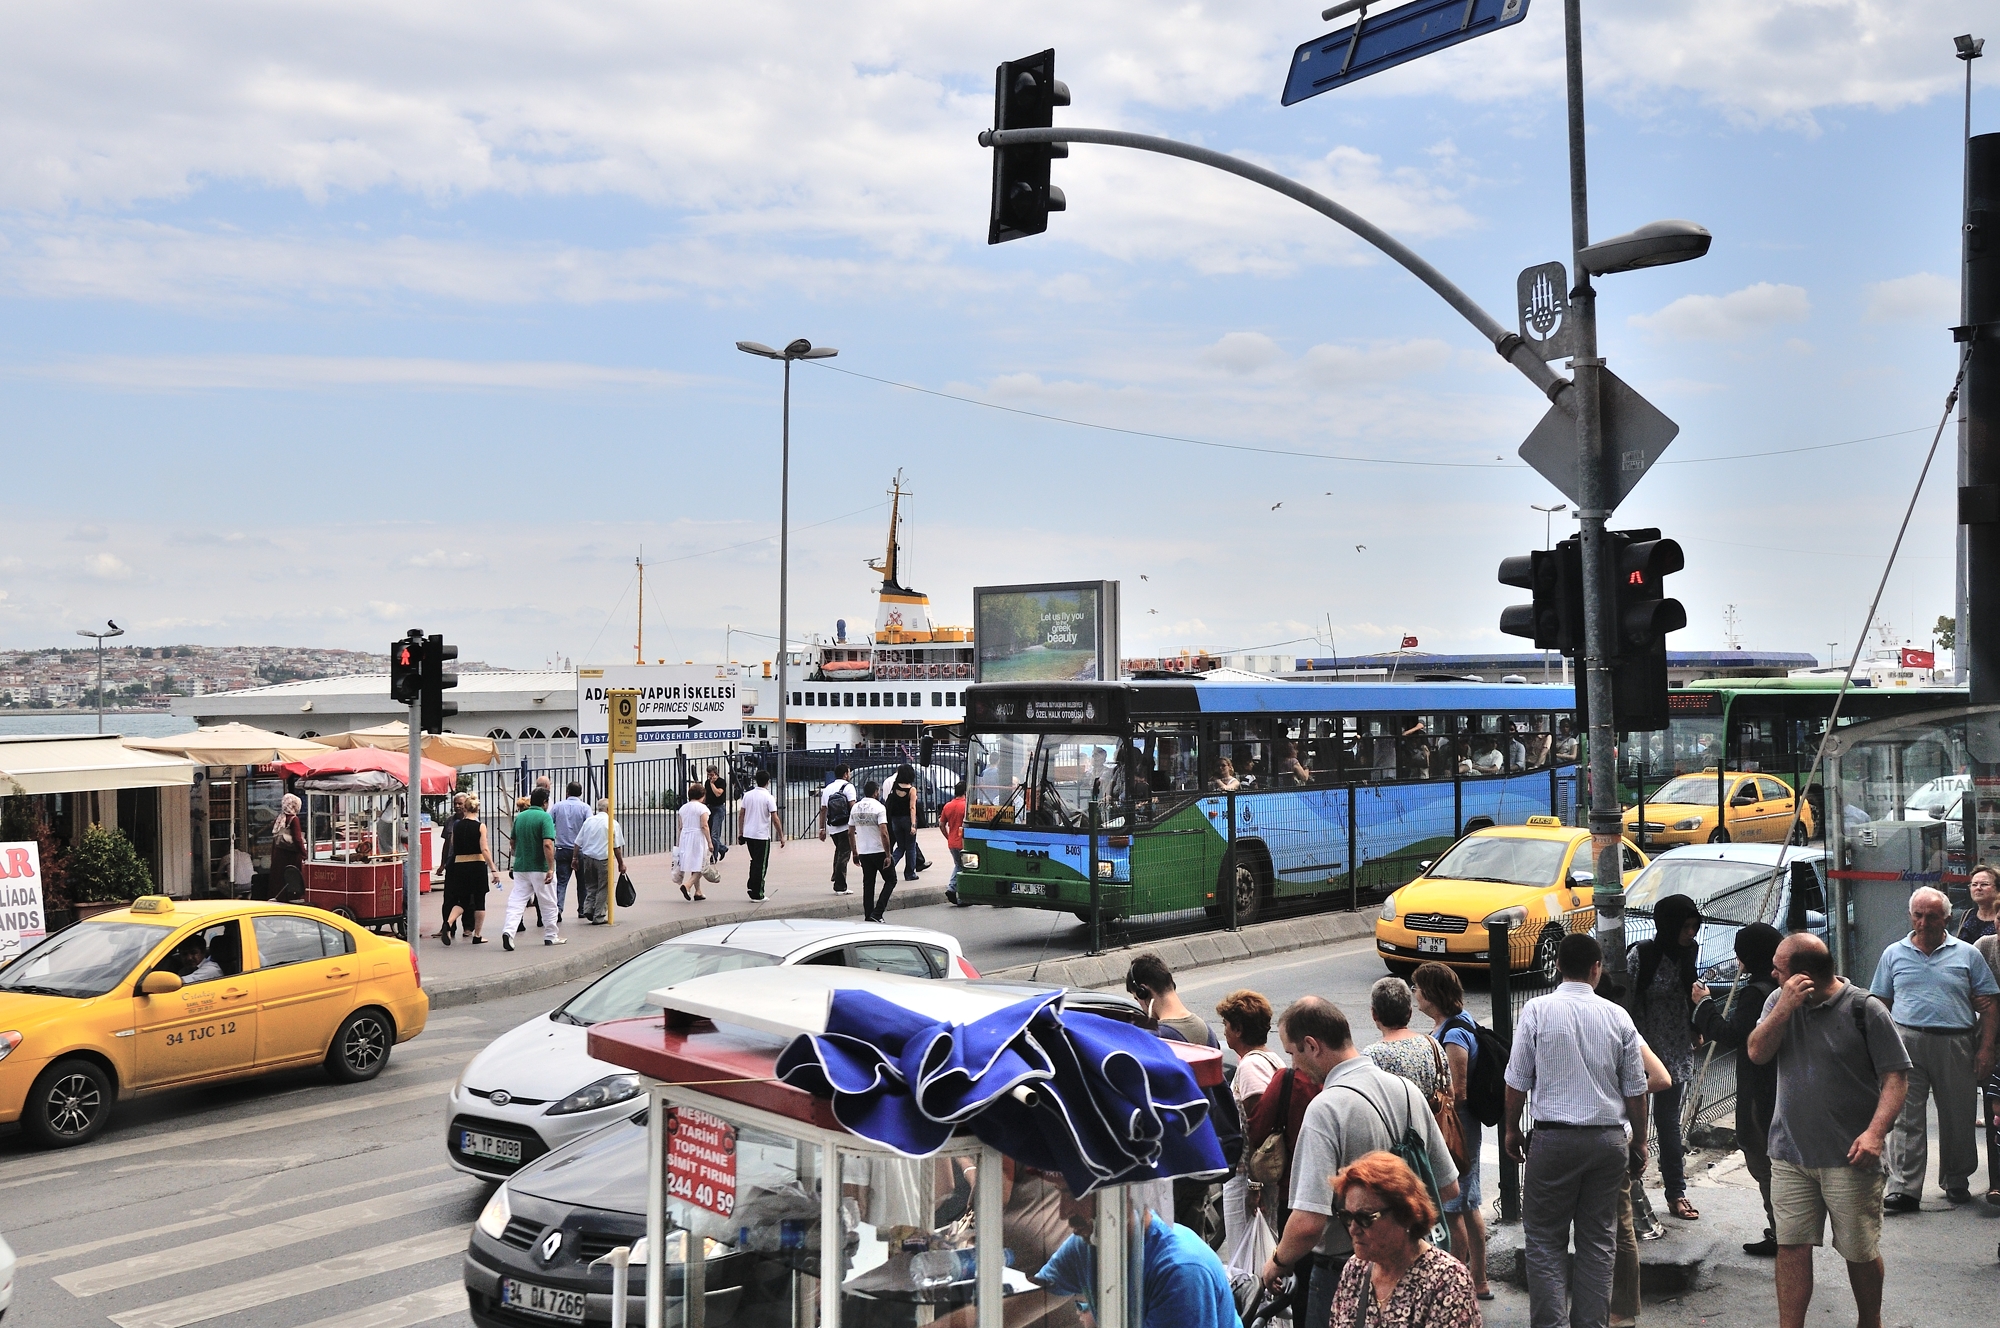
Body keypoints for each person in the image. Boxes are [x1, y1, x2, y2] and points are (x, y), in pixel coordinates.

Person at [1261, 997, 1459, 1328]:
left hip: (1343, 1273)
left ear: (1312, 1045)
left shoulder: (1325, 1109)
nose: (1293, 1064)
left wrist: (1277, 1262)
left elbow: (1308, 1222)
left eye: (1292, 1052)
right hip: (1411, 1263)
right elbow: (1448, 1187)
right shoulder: (1406, 1090)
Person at [1748, 933, 1911, 1328]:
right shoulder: (1778, 1001)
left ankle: (1869, 1321)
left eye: (1779, 969)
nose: (1772, 974)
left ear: (1803, 975)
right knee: (1791, 1247)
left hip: (1850, 1157)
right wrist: (1784, 1007)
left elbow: (1896, 1078)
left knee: (1858, 1250)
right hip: (1789, 1153)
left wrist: (1875, 1134)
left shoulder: (1865, 1009)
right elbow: (1757, 1052)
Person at [1502, 932, 1649, 1328]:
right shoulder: (1618, 1017)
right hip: (1607, 1142)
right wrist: (1640, 1140)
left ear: (1557, 967)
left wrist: (1512, 1129)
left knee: (1544, 1241)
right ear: (1596, 969)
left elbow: (1517, 1079)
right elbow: (1636, 1088)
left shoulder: (1537, 1010)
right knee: (1598, 1241)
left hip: (1553, 1140)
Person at [1870, 884, 2000, 1209]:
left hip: (1956, 1042)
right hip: (1906, 1041)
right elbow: (1880, 1003)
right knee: (1905, 1117)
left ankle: (1956, 1179)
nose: (1924, 922)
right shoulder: (1893, 953)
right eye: (1918, 915)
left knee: (1958, 1115)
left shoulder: (1967, 954)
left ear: (1946, 918)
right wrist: (1879, 1049)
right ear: (1910, 916)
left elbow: (1989, 1005)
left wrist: (1986, 1049)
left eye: (1931, 916)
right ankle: (1904, 1188)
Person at [1691, 922, 1784, 1255]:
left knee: (1763, 1162)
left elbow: (1733, 1036)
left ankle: (1783, 1234)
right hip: (1781, 1085)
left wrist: (1704, 1005)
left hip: (1760, 1090)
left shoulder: (1756, 993)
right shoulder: (1781, 985)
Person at [1042, 1179, 1236, 1328]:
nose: (1063, 1212)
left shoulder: (1181, 1271)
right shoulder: (1087, 1245)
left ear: (1122, 1192)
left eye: (1073, 1194)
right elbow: (1038, 1292)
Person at [1411, 962, 1491, 1303]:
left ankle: (1460, 1284)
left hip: (1458, 1127)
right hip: (1460, 1126)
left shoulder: (1455, 1033)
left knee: (1456, 1206)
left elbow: (1458, 1091)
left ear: (1431, 993)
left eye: (1417, 987)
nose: (1414, 993)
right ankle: (1477, 1280)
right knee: (1467, 1203)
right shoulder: (1452, 1024)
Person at [1327, 1151, 1481, 1328]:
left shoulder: (1448, 1281)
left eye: (1365, 1218)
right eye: (1347, 1217)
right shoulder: (1355, 1269)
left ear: (1405, 1215)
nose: (1353, 1229)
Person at [1627, 892, 1704, 1221]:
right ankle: (1630, 1192)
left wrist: (1696, 1027)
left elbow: (1690, 994)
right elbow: (1625, 1001)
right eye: (1684, 927)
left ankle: (1676, 1192)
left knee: (1669, 1123)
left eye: (1694, 926)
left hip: (1675, 1048)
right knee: (1632, 1124)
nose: (1690, 933)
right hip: (1641, 1048)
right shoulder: (1642, 955)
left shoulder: (1689, 952)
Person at [1215, 989, 1285, 1250]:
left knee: (1247, 1254)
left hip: (1248, 1177)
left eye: (1226, 1024)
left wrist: (1255, 1185)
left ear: (1239, 1029)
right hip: (1258, 1177)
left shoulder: (1250, 1066)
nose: (1224, 1031)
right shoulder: (1271, 1058)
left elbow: (1259, 1126)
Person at [1362, 976, 1443, 1098]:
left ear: (1374, 1014)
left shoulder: (1371, 1056)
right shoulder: (1432, 1044)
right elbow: (1449, 1092)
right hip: (1427, 1111)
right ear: (1410, 1013)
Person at [501, 786, 560, 951]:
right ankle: (551, 935)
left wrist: (520, 854)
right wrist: (550, 868)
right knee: (548, 902)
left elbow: (512, 842)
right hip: (540, 867)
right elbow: (547, 844)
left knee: (517, 901)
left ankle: (509, 931)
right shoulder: (545, 817)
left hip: (521, 867)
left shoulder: (520, 817)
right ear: (545, 802)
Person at [440, 794, 497, 944]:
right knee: (479, 901)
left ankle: (448, 923)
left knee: (462, 900)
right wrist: (493, 868)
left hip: (459, 865)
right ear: (477, 809)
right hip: (477, 865)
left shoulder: (456, 826)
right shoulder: (480, 826)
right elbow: (484, 849)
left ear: (465, 808)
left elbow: (453, 844)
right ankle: (477, 935)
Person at [1125, 954, 1214, 1047]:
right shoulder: (1208, 1032)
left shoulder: (1156, 1038)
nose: (1142, 1008)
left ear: (1143, 992)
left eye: (1137, 999)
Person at [572, 797, 626, 924]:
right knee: (604, 887)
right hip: (603, 859)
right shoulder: (612, 823)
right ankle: (599, 915)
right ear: (608, 809)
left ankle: (588, 908)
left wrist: (574, 858)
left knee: (591, 886)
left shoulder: (589, 821)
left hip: (588, 858)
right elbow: (616, 847)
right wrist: (621, 863)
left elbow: (577, 842)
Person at [1977, 930, 2000, 1205]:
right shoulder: (1985, 946)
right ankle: (1997, 1183)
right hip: (1993, 1037)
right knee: (1995, 1111)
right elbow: (1963, 978)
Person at [550, 781, 591, 925]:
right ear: (581, 793)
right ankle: (582, 909)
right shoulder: (585, 808)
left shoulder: (557, 806)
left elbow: (549, 822)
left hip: (562, 849)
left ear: (567, 792)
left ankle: (558, 909)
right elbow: (589, 826)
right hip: (580, 850)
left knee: (561, 882)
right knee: (583, 882)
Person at [851, 779, 892, 920]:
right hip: (878, 850)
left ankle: (868, 915)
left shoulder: (855, 808)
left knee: (868, 884)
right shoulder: (879, 807)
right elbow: (884, 832)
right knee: (891, 879)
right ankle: (878, 912)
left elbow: (850, 832)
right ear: (875, 792)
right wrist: (888, 854)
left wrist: (854, 852)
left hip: (864, 851)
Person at [740, 769, 783, 901]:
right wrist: (781, 835)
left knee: (754, 861)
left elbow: (741, 814)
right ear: (768, 782)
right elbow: (775, 818)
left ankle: (751, 885)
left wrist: (741, 832)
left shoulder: (747, 795)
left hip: (749, 834)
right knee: (761, 864)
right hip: (761, 835)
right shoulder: (769, 797)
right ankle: (757, 892)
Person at [819, 763, 858, 895]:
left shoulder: (828, 788)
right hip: (845, 826)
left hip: (833, 827)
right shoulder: (848, 787)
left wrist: (822, 828)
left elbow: (823, 809)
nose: (850, 775)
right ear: (845, 774)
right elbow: (853, 806)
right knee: (844, 855)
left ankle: (836, 875)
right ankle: (840, 886)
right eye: (849, 772)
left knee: (840, 851)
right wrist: (857, 824)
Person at [885, 763, 925, 882]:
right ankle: (909, 873)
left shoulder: (894, 787)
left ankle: (889, 867)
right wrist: (913, 825)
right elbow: (912, 807)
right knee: (910, 847)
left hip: (895, 820)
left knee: (900, 847)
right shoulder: (911, 790)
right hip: (907, 819)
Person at [674, 781, 712, 902]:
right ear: (702, 796)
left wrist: (678, 842)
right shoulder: (702, 808)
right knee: (702, 864)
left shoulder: (683, 808)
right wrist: (710, 842)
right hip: (697, 837)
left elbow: (680, 826)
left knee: (694, 864)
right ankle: (688, 885)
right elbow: (704, 825)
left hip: (685, 836)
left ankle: (698, 891)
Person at [270, 792, 306, 902]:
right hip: (291, 857)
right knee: (292, 879)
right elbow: (297, 839)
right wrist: (304, 853)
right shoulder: (294, 819)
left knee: (280, 881)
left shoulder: (280, 818)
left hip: (279, 856)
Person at [940, 779, 968, 902]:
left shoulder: (948, 806)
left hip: (952, 842)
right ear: (965, 792)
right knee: (963, 867)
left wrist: (948, 836)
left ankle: (955, 890)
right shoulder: (966, 806)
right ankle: (953, 888)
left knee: (958, 865)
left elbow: (941, 824)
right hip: (964, 842)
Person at [1960, 863, 2000, 945]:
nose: (1978, 888)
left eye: (1984, 884)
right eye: (1974, 884)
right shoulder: (1968, 914)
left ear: (1998, 888)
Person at [703, 766, 730, 862]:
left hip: (718, 808)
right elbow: (706, 795)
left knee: (715, 834)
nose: (710, 777)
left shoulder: (721, 782)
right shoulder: (707, 782)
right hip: (709, 807)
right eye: (708, 775)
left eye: (711, 774)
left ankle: (713, 857)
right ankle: (722, 848)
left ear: (716, 773)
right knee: (709, 833)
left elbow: (718, 793)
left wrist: (712, 784)